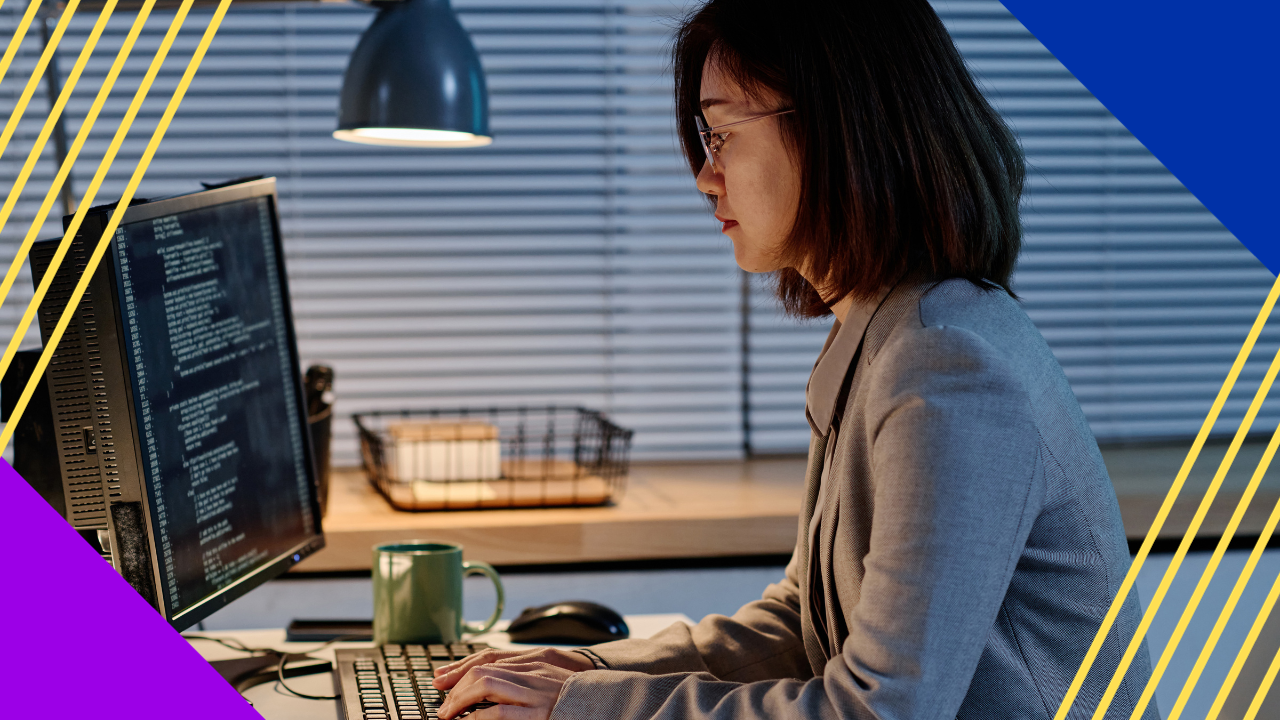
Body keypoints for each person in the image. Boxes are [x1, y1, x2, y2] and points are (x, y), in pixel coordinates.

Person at [433, 1, 1157, 718]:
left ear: (836, 128)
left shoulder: (948, 366)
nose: (705, 176)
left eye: (722, 134)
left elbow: (877, 711)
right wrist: (585, 670)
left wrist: (590, 708)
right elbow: (806, 625)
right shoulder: (886, 331)